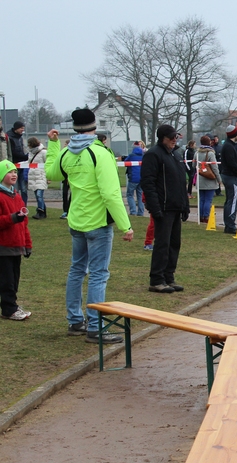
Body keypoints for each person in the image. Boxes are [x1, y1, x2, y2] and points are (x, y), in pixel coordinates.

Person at [45, 109, 134, 343]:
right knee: (98, 274)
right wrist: (125, 225)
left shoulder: (66, 152)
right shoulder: (100, 153)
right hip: (97, 223)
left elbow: (52, 173)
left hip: (76, 221)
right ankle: (95, 326)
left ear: (74, 127)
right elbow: (111, 193)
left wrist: (53, 145)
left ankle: (75, 321)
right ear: (94, 127)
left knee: (77, 270)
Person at [140, 125, 190, 294]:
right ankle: (157, 279)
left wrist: (185, 205)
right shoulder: (153, 155)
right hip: (163, 207)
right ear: (163, 138)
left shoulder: (175, 155)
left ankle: (169, 276)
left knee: (174, 244)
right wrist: (155, 207)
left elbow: (181, 182)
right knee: (162, 244)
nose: (174, 140)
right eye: (171, 137)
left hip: (176, 206)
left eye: (176, 137)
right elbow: (148, 182)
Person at [0, 160, 32, 320]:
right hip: (3, 247)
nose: (13, 175)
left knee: (14, 278)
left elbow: (24, 224)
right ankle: (9, 309)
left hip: (16, 246)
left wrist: (27, 244)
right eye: (9, 172)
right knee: (7, 280)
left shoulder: (17, 196)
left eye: (14, 171)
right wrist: (12, 218)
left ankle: (12, 304)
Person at [219, 125, 237, 234]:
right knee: (233, 201)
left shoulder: (228, 145)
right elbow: (232, 163)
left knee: (230, 200)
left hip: (228, 175)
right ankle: (230, 224)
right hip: (231, 176)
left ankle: (229, 223)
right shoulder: (229, 147)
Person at [194, 135, 221, 223]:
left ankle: (200, 216)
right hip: (210, 180)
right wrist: (219, 179)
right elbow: (214, 167)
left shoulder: (197, 153)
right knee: (208, 200)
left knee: (201, 199)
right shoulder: (210, 153)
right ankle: (206, 216)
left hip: (200, 179)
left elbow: (193, 165)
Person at [26, 138, 48, 219]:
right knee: (38, 196)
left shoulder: (44, 152)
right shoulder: (30, 153)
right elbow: (29, 163)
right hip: (33, 176)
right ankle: (43, 212)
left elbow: (47, 164)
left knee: (39, 195)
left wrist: (48, 177)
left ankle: (40, 212)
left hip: (41, 176)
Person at [8, 122, 28, 206]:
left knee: (24, 189)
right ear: (16, 128)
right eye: (21, 128)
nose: (23, 130)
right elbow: (12, 152)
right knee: (14, 189)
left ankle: (23, 206)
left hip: (22, 165)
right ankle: (15, 206)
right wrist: (25, 157)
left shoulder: (20, 138)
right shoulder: (9, 137)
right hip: (13, 166)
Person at [124, 141, 145, 216]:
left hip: (133, 178)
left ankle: (133, 211)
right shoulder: (143, 155)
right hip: (141, 178)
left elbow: (125, 162)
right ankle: (141, 212)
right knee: (140, 195)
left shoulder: (131, 155)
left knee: (130, 195)